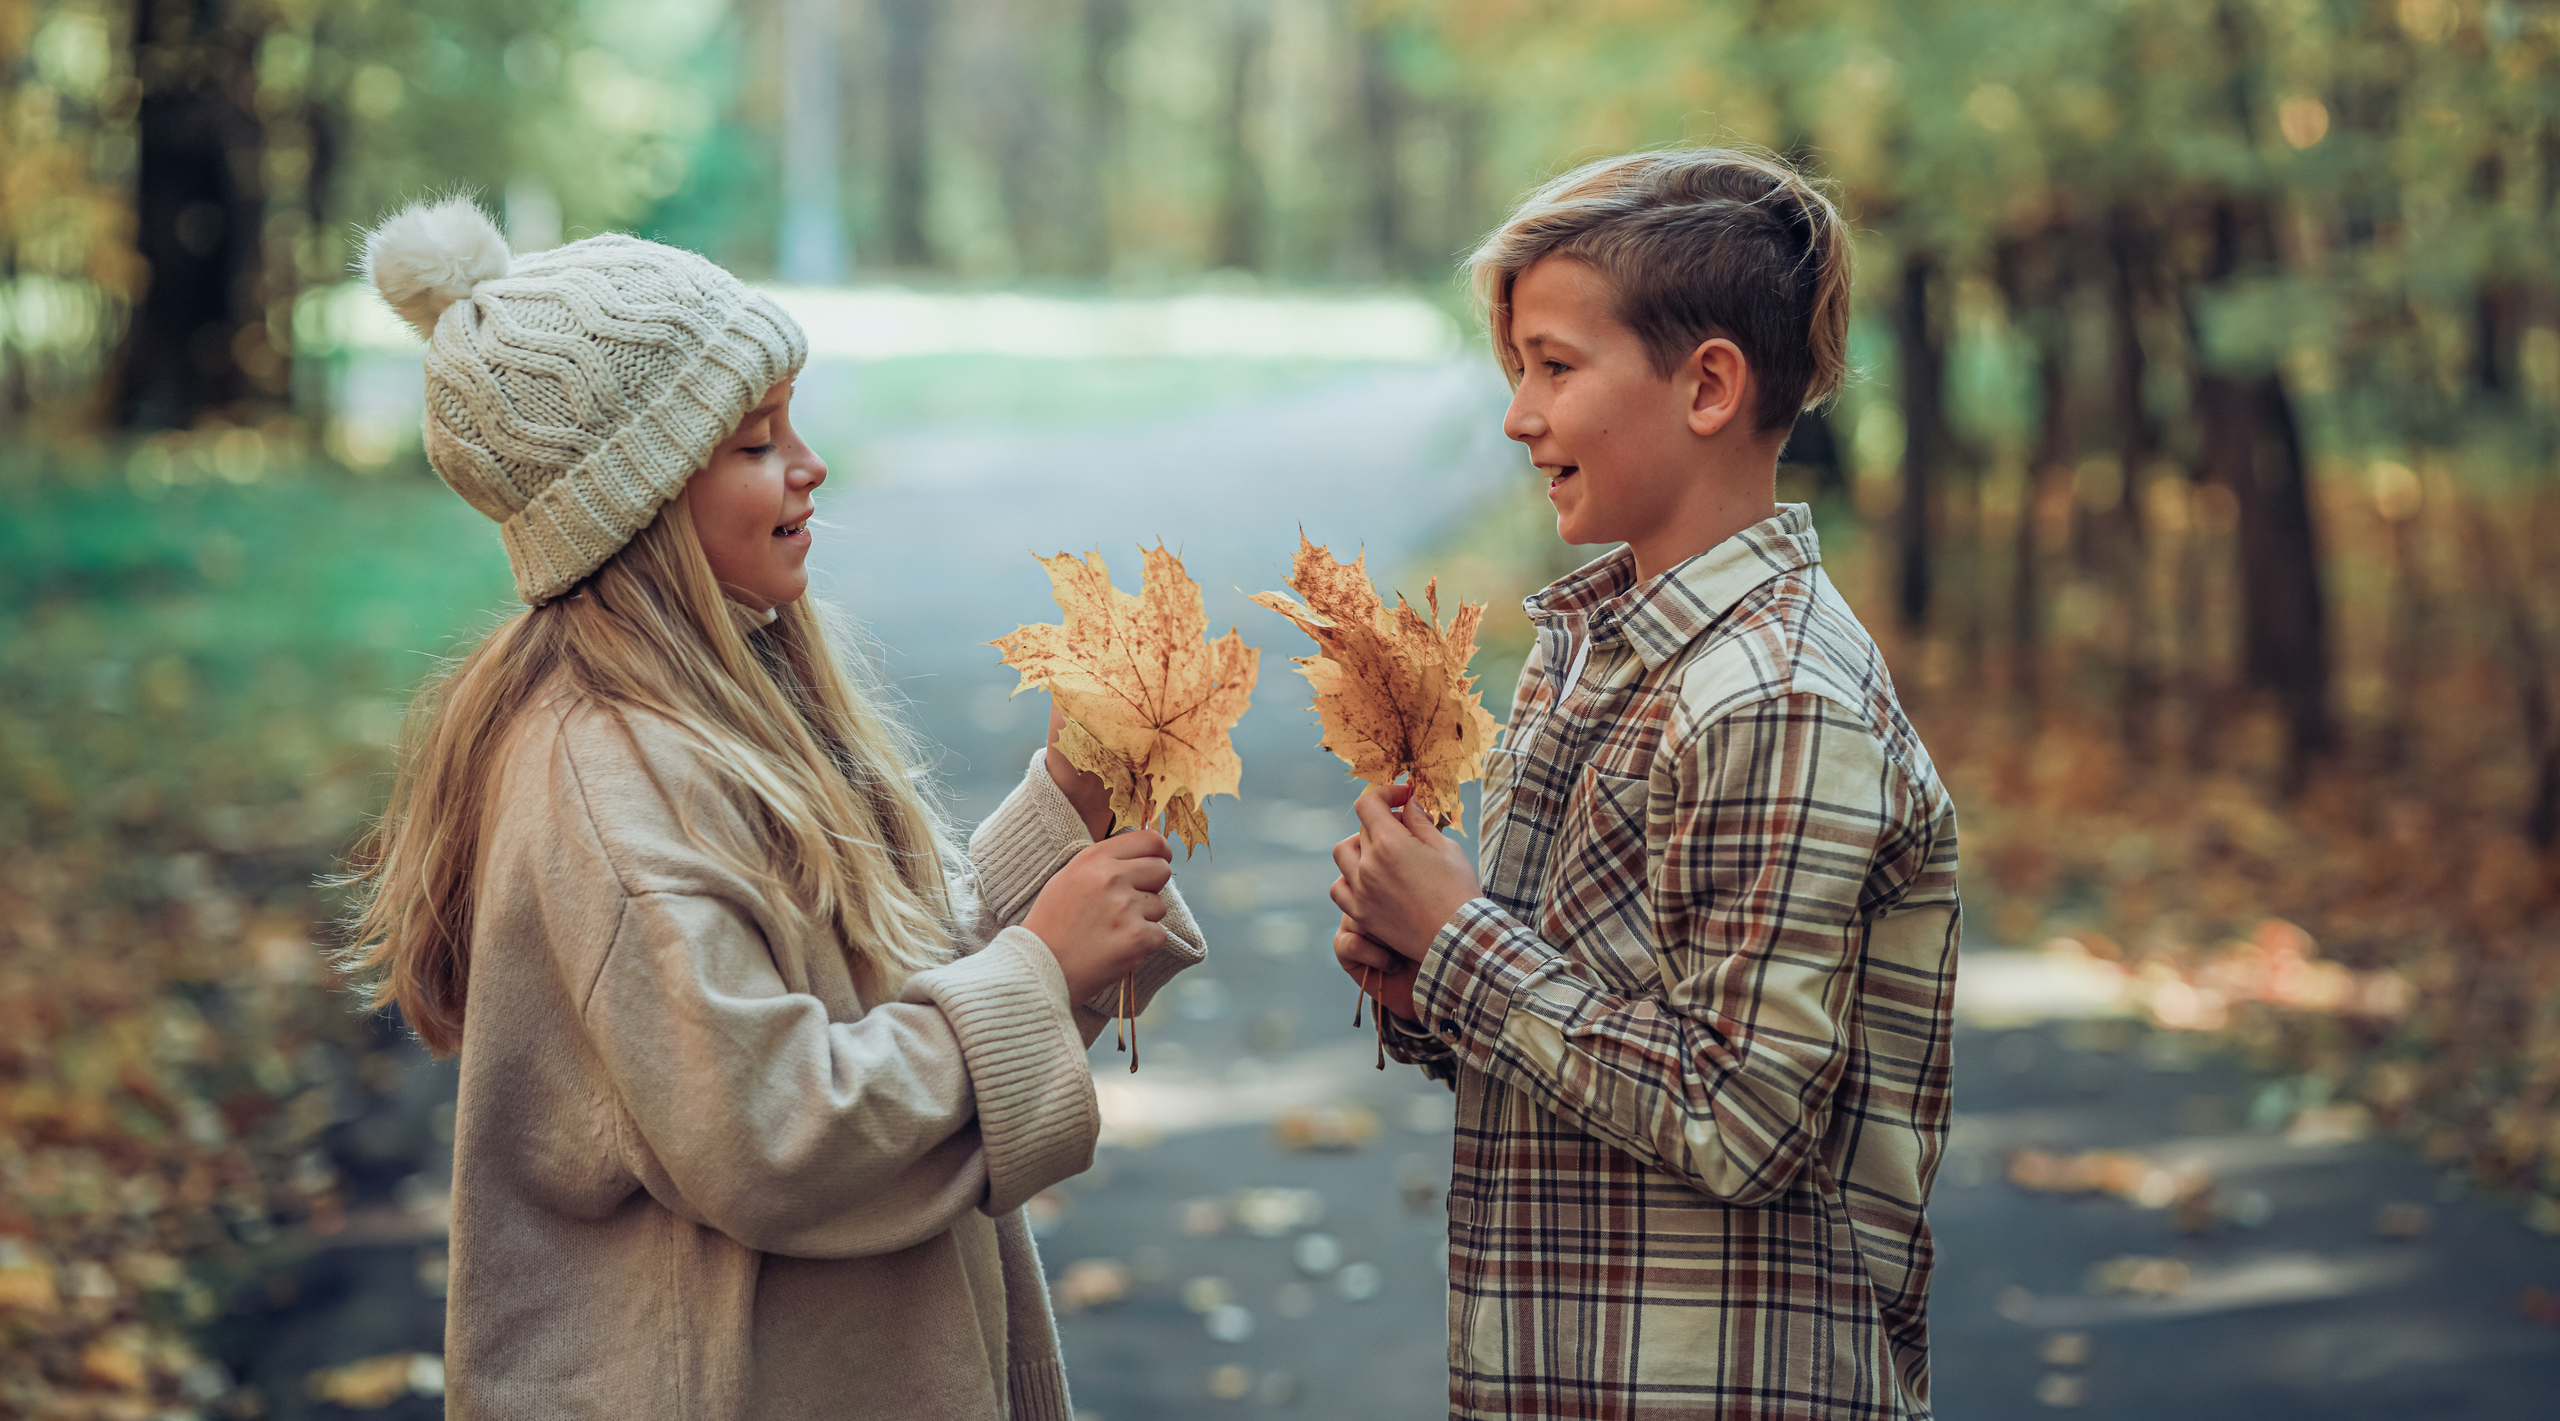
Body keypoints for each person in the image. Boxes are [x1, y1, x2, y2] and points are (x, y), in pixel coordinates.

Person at [334, 198, 1197, 1420]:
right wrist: (1038, 973)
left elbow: (853, 993)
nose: (811, 465)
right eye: (754, 443)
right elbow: (773, 1130)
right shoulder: (609, 784)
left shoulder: (730, 696)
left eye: (790, 424)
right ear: (634, 501)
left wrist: (1061, 818)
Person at [1330, 148, 1961, 1419]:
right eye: (1517, 370)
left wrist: (1462, 943)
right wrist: (1427, 981)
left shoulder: (1772, 698)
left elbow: (1736, 1113)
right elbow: (1598, 1040)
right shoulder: (1604, 663)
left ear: (1708, 384)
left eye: (1555, 367)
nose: (1519, 415)